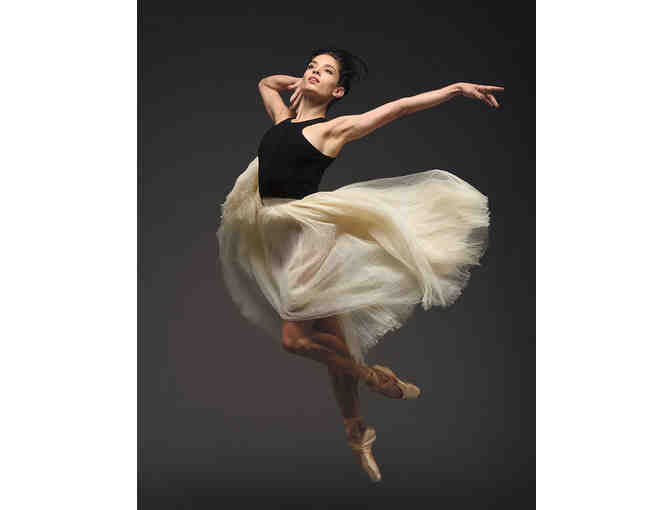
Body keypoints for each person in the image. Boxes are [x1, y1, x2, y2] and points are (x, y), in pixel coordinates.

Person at [216, 48, 503, 483]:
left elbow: (398, 108)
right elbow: (266, 83)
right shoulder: (280, 121)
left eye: (326, 71)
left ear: (339, 91)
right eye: (311, 66)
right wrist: (298, 81)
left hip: (307, 240)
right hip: (276, 239)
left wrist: (454, 89)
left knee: (296, 340)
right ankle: (358, 431)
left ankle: (374, 378)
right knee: (336, 344)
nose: (314, 73)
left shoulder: (333, 129)